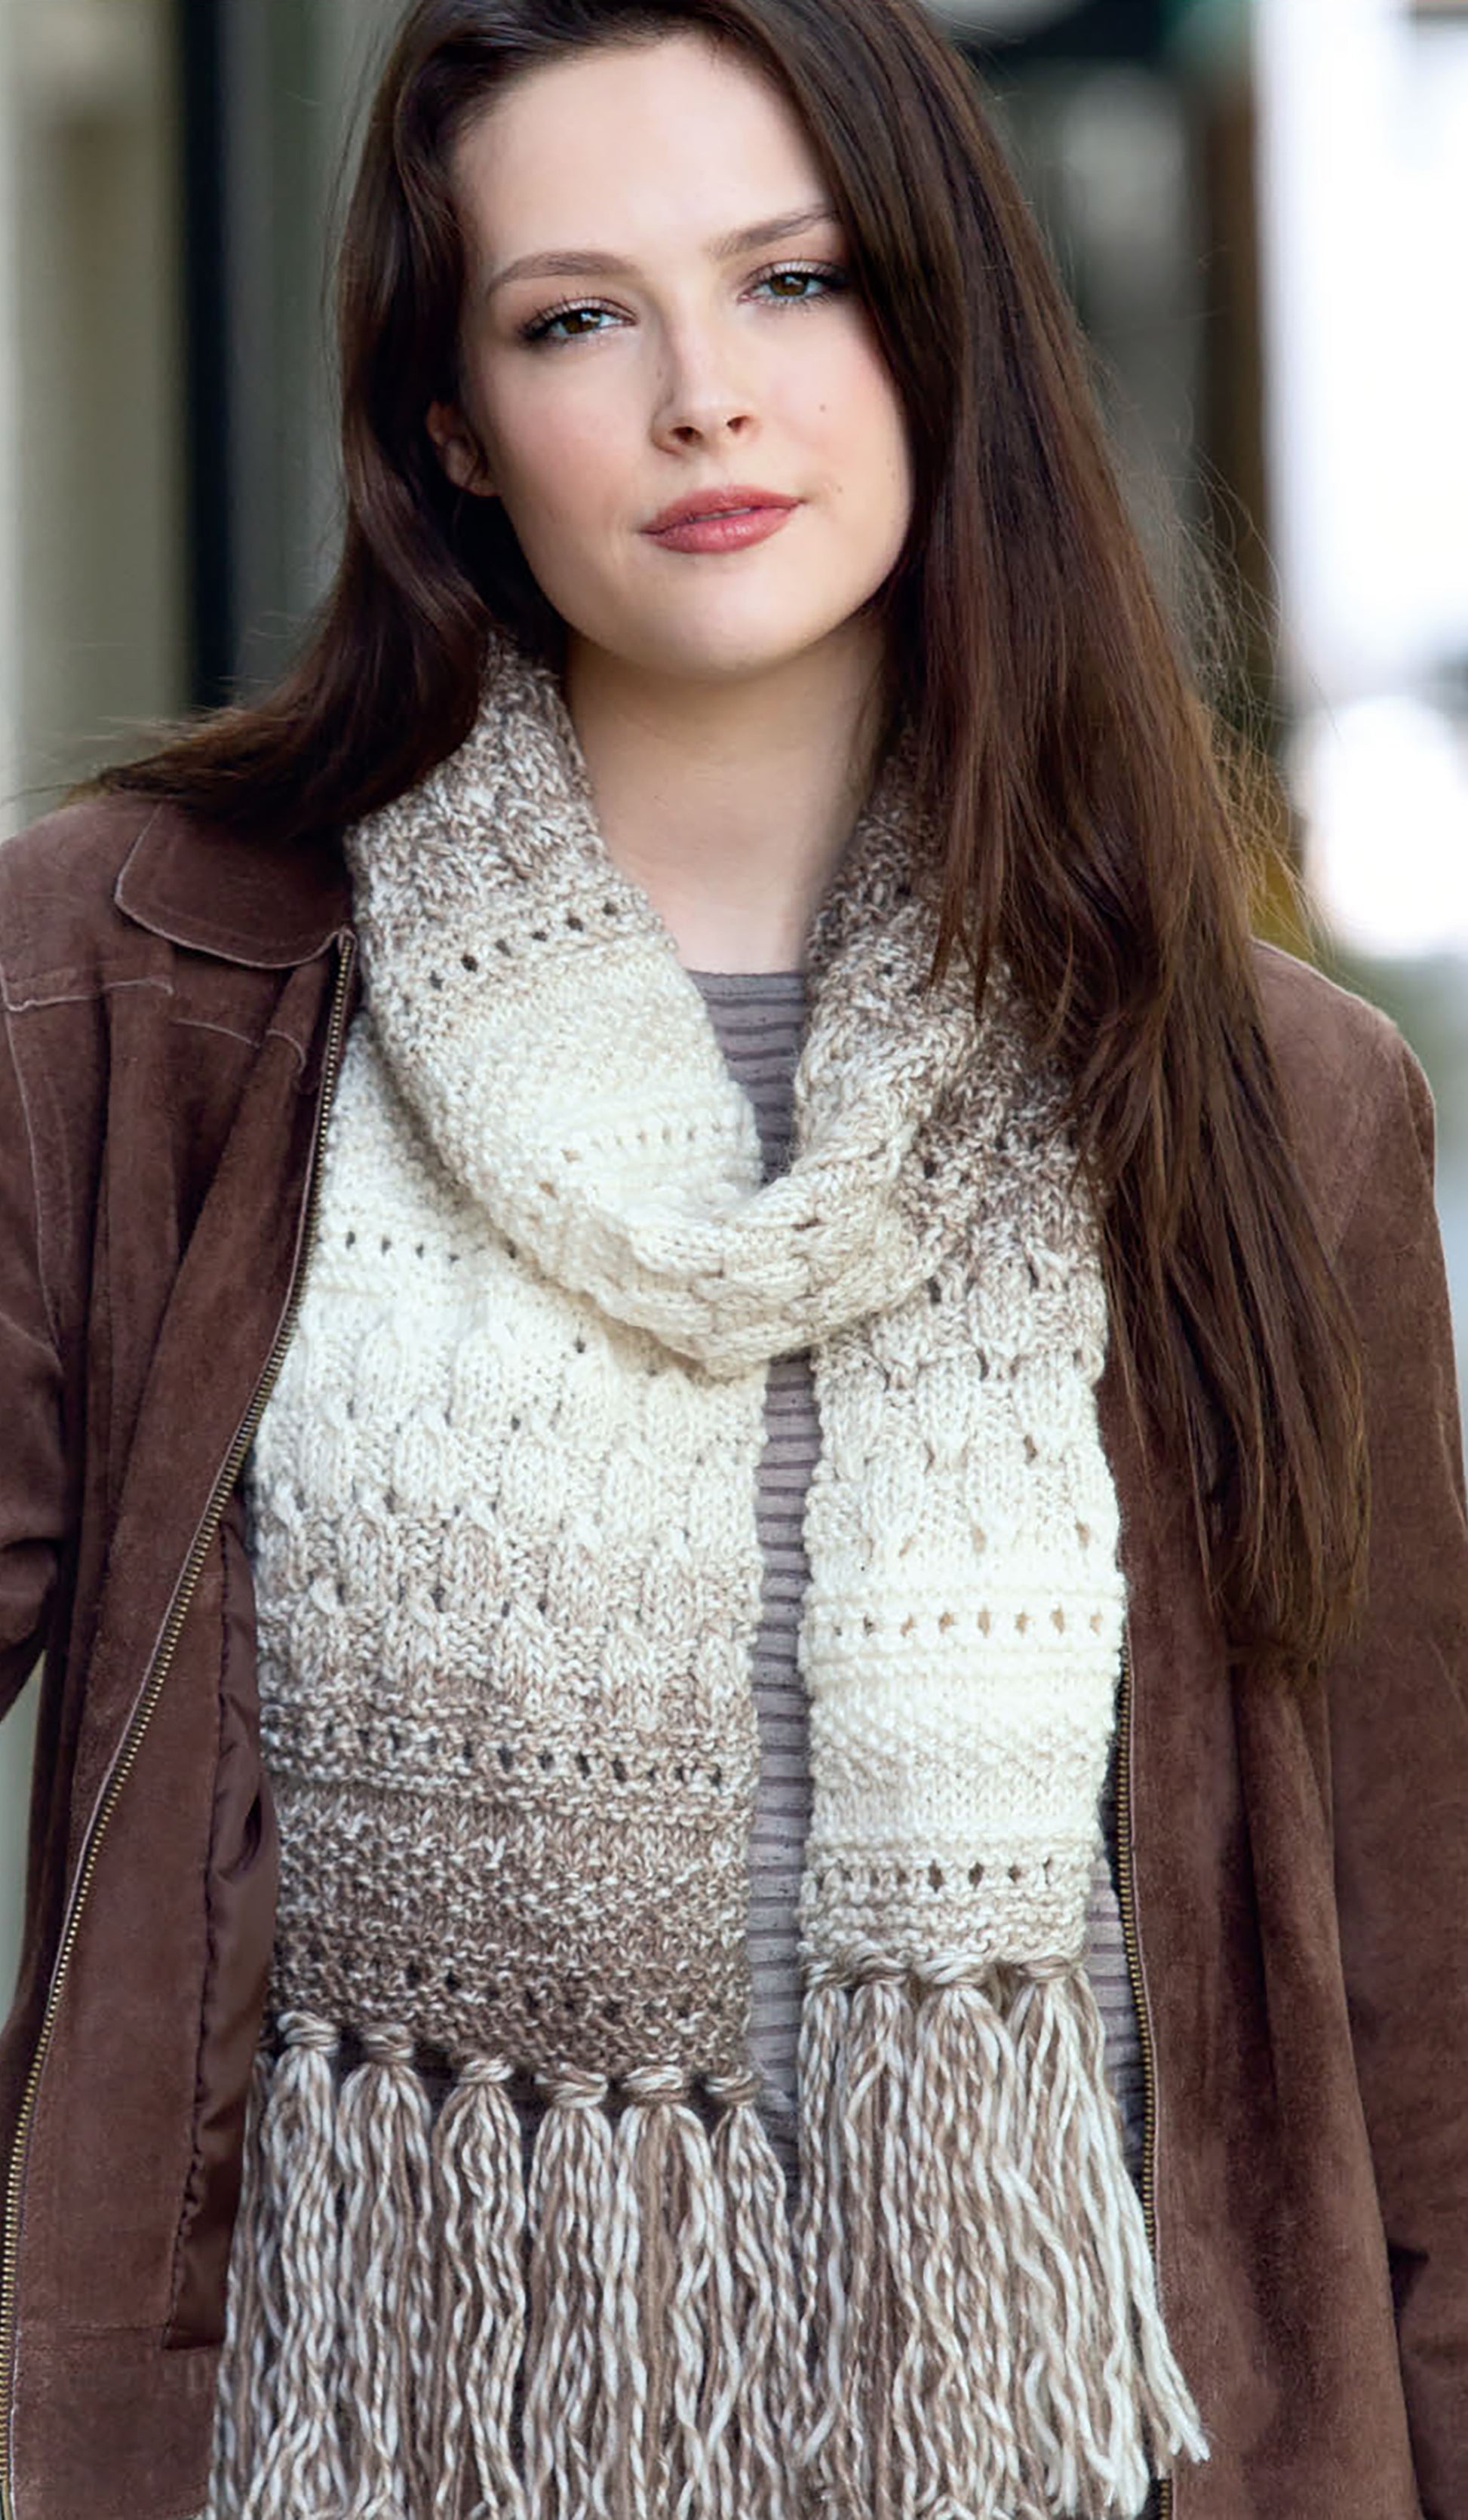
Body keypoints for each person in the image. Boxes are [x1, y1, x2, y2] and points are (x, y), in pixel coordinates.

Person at [1, 0, 1465, 2512]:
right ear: (452, 424)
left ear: (936, 323)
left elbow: (1420, 1996)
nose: (703, 398)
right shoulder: (135, 992)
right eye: (579, 315)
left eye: (789, 283)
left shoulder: (1261, 1096)